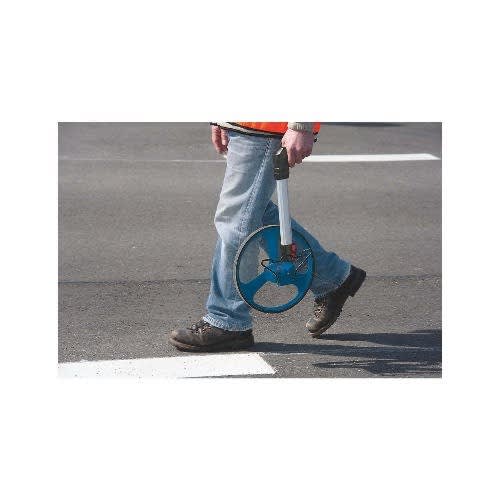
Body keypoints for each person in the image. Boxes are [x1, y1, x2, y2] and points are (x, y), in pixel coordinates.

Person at [168, 122, 366, 352]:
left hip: (264, 127)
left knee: (237, 216)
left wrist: (302, 125)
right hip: (248, 124)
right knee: (251, 211)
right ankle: (332, 277)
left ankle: (228, 319)